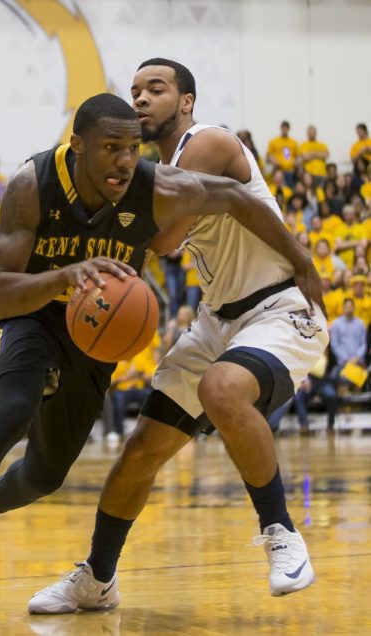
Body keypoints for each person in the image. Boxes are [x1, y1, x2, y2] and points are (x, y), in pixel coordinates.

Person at [0, 90, 324, 610]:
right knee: (16, 407)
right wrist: (65, 276)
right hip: (31, 316)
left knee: (46, 475)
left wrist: (303, 260)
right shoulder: (32, 184)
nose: (124, 161)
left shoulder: (155, 186)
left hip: (95, 337)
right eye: (111, 147)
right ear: (77, 146)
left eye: (132, 148)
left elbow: (239, 198)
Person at [27, 59, 328, 615]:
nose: (140, 99)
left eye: (155, 90)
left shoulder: (208, 141)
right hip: (217, 320)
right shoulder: (155, 169)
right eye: (135, 90)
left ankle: (282, 532)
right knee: (140, 451)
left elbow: (161, 237)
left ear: (186, 101)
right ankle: (97, 578)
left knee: (222, 389)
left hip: (279, 308)